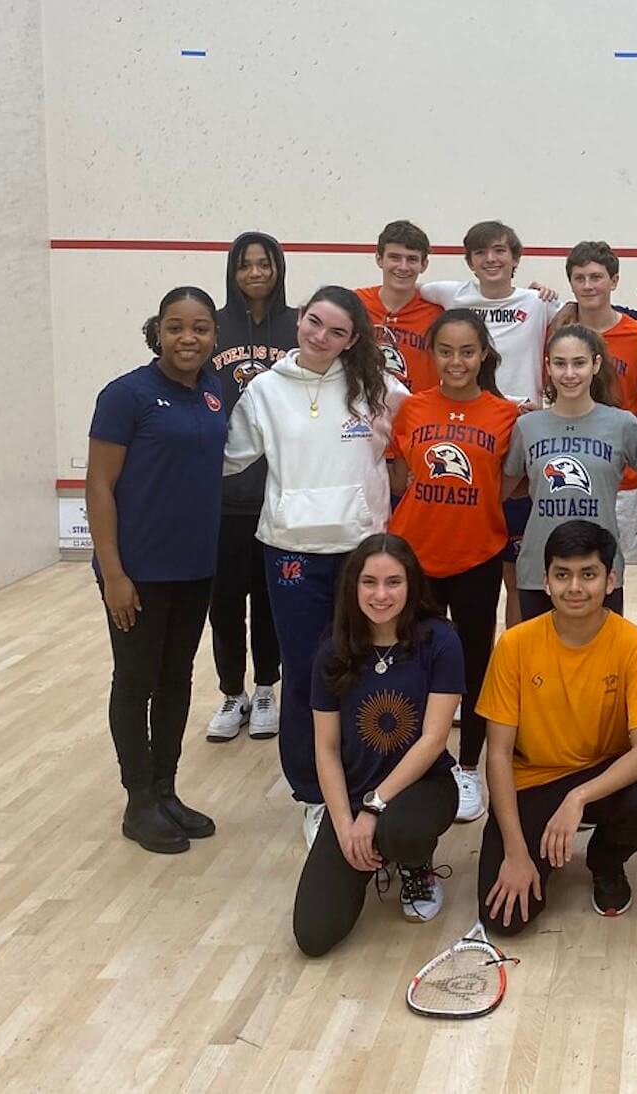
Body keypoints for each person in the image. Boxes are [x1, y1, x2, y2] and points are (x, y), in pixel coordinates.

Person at [223, 285, 407, 845]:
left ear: (353, 341)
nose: (321, 337)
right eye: (314, 323)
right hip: (290, 553)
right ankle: (311, 794)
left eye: (336, 332)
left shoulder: (379, 390)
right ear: (300, 319)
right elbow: (228, 457)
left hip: (362, 554)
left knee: (367, 668)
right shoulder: (263, 390)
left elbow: (435, 424)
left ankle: (369, 785)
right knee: (307, 675)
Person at [86, 287, 230, 854]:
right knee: (136, 680)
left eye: (199, 328)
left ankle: (167, 790)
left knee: (176, 679)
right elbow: (99, 486)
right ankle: (138, 800)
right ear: (158, 332)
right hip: (137, 571)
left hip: (194, 567)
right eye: (175, 327)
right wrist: (115, 573)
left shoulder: (215, 393)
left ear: (215, 336)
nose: (187, 338)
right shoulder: (126, 396)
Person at [475, 521, 637, 934]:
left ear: (611, 579)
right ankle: (538, 847)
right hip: (533, 780)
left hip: (600, 777)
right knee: (503, 921)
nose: (575, 588)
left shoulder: (634, 646)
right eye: (562, 575)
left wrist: (577, 798)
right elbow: (496, 754)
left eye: (588, 574)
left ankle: (606, 860)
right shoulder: (514, 645)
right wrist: (515, 851)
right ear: (545, 581)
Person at [294, 534, 463, 955]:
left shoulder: (440, 641)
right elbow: (327, 750)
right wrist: (344, 825)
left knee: (400, 829)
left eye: (393, 582)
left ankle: (415, 866)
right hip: (353, 797)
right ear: (353, 587)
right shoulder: (332, 650)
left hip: (423, 788)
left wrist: (374, 808)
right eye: (369, 582)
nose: (381, 594)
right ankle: (372, 850)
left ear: (412, 586)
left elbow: (433, 739)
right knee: (313, 936)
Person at [389, 309, 520, 824]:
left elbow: (513, 479)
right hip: (414, 557)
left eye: (468, 351)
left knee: (472, 664)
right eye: (446, 351)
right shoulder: (412, 409)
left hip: (477, 556)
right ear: (432, 354)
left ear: (483, 353)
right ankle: (417, 761)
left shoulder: (507, 414)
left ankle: (468, 767)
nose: (457, 361)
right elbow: (400, 478)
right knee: (413, 660)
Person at [419, 220, 561, 629]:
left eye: (500, 250)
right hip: (471, 433)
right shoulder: (451, 295)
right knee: (471, 567)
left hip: (521, 431)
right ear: (469, 262)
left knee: (516, 575)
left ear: (515, 259)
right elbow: (403, 291)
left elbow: (580, 309)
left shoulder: (537, 301)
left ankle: (511, 661)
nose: (491, 259)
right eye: (481, 253)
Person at [204, 232, 296, 744]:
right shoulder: (213, 326)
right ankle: (230, 692)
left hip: (277, 495)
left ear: (278, 268)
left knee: (267, 602)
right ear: (233, 271)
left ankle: (265, 689)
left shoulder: (296, 324)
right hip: (222, 498)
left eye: (265, 264)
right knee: (224, 604)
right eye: (246, 265)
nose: (256, 273)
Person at [505, 324, 637, 619]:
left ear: (596, 364)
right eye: (560, 364)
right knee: (539, 664)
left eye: (579, 363)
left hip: (600, 568)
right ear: (548, 367)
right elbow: (502, 489)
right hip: (540, 568)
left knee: (601, 663)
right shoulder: (527, 427)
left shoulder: (623, 424)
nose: (570, 373)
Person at [562, 241, 637, 554]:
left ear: (614, 281)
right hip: (572, 476)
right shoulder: (559, 332)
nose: (587, 285)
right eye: (579, 278)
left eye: (596, 277)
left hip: (625, 480)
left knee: (625, 575)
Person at [355, 219, 442, 392]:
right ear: (379, 259)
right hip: (360, 411)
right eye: (394, 257)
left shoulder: (439, 313)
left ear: (424, 265)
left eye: (412, 259)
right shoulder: (354, 304)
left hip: (416, 415)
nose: (403, 267)